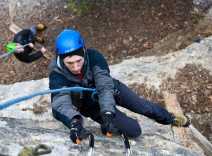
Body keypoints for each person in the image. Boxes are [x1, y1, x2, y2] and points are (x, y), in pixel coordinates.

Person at [49, 29, 191, 143]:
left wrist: (108, 114)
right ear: (61, 58)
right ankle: (119, 116)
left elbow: (104, 86)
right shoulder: (57, 75)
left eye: (78, 61)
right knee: (135, 130)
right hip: (91, 107)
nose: (75, 67)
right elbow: (60, 103)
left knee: (142, 106)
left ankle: (170, 118)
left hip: (112, 90)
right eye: (70, 63)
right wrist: (74, 123)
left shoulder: (94, 57)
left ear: (84, 52)